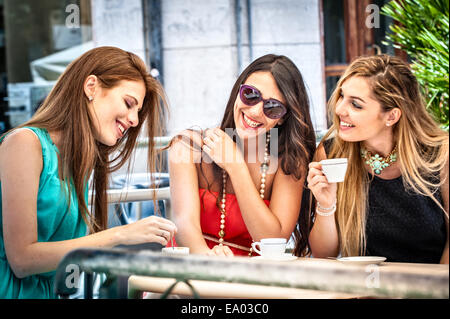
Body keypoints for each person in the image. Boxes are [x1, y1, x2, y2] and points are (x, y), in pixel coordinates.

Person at [0, 46, 177, 298]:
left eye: (138, 111)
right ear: (91, 86)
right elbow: (23, 259)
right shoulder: (24, 143)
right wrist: (121, 234)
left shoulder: (78, 162)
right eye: (129, 104)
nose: (135, 120)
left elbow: (67, 264)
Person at [304, 54, 449, 263]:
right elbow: (324, 255)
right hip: (363, 292)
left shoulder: (440, 154)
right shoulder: (331, 152)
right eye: (342, 96)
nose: (339, 109)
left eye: (356, 104)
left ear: (391, 116)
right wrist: (326, 205)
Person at [169, 54, 316, 257]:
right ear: (238, 92)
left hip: (253, 280)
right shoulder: (187, 147)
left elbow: (272, 241)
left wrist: (236, 167)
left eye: (273, 107)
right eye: (251, 95)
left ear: (282, 119)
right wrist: (210, 262)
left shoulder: (290, 162)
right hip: (195, 271)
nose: (255, 111)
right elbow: (184, 227)